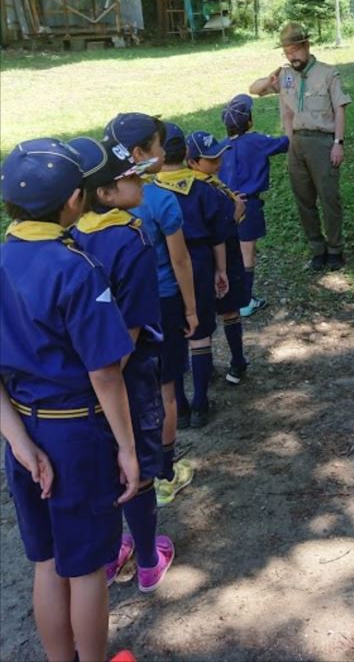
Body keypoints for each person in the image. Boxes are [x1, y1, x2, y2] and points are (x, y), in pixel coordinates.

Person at [0, 138, 138, 662]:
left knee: (46, 561)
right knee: (84, 567)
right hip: (75, 435)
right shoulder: (74, 268)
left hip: (24, 432)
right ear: (75, 202)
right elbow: (104, 371)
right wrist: (127, 447)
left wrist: (18, 444)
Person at [72, 134, 175, 593]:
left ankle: (113, 556)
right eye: (128, 176)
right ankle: (150, 559)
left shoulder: (69, 237)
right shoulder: (129, 240)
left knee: (105, 462)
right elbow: (129, 334)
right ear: (104, 194)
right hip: (126, 376)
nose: (139, 177)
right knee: (138, 463)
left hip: (84, 380)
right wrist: (111, 375)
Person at [105, 112, 198, 507]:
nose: (164, 151)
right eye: (159, 146)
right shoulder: (160, 200)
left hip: (119, 310)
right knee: (168, 390)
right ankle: (164, 473)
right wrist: (192, 310)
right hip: (161, 303)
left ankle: (123, 464)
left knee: (124, 388)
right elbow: (180, 262)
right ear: (141, 154)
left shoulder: (100, 203)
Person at [154, 125, 247, 426]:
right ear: (188, 156)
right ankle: (200, 405)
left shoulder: (149, 193)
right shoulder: (204, 190)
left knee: (175, 336)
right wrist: (221, 270)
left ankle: (178, 407)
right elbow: (218, 235)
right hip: (201, 262)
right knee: (200, 334)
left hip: (165, 268)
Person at [249, 21, 351, 271]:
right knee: (303, 200)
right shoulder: (284, 76)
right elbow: (254, 90)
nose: (290, 56)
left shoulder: (328, 73)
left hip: (323, 142)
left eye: (294, 50)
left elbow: (339, 109)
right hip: (295, 144)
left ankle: (335, 248)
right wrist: (270, 78)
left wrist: (338, 143)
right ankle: (317, 248)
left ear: (306, 45)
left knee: (329, 198)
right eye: (286, 52)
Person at [219, 93, 289, 317]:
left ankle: (229, 296)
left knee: (230, 252)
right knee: (247, 254)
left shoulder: (221, 147)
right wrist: (288, 118)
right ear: (249, 121)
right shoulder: (257, 141)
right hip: (249, 205)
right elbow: (285, 142)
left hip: (225, 206)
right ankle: (245, 300)